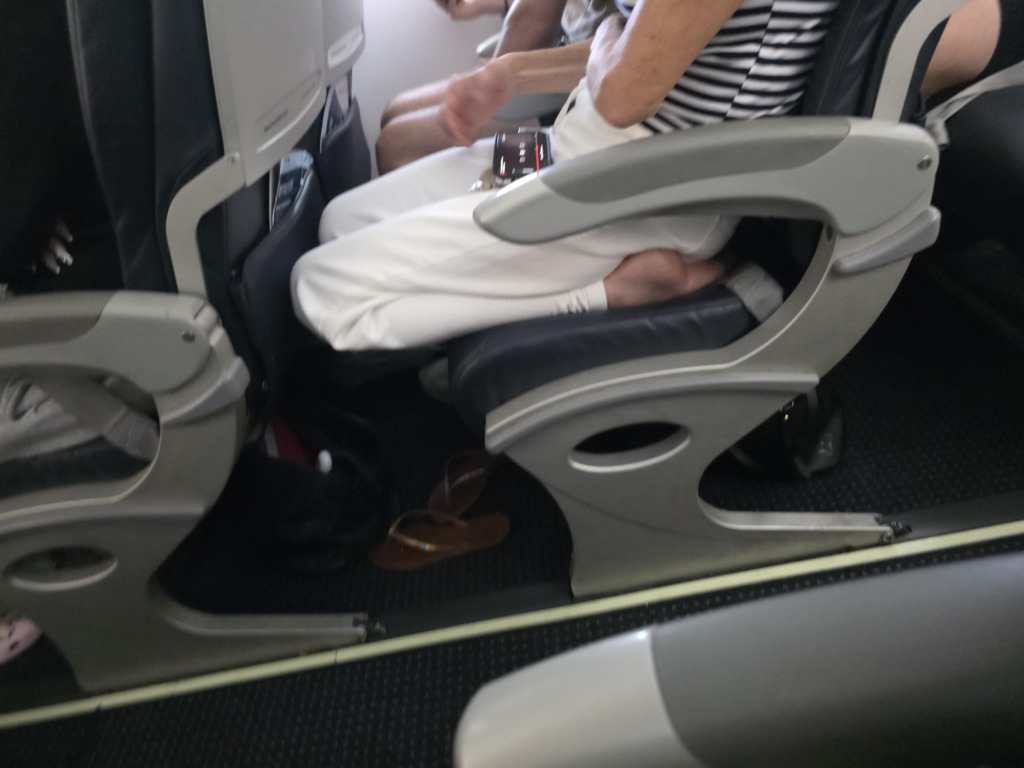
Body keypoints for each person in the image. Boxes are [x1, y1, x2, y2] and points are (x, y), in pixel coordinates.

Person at [292, 0, 1019, 353]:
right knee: (339, 221)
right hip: (570, 147)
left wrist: (610, 36)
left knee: (323, 290)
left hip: (641, 184)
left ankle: (626, 286)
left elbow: (623, 91)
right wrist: (510, 74)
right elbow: (633, 56)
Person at [377, 0, 616, 172]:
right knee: (393, 111)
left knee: (395, 146)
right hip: (564, 49)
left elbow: (618, 59)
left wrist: (504, 77)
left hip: (581, 88)